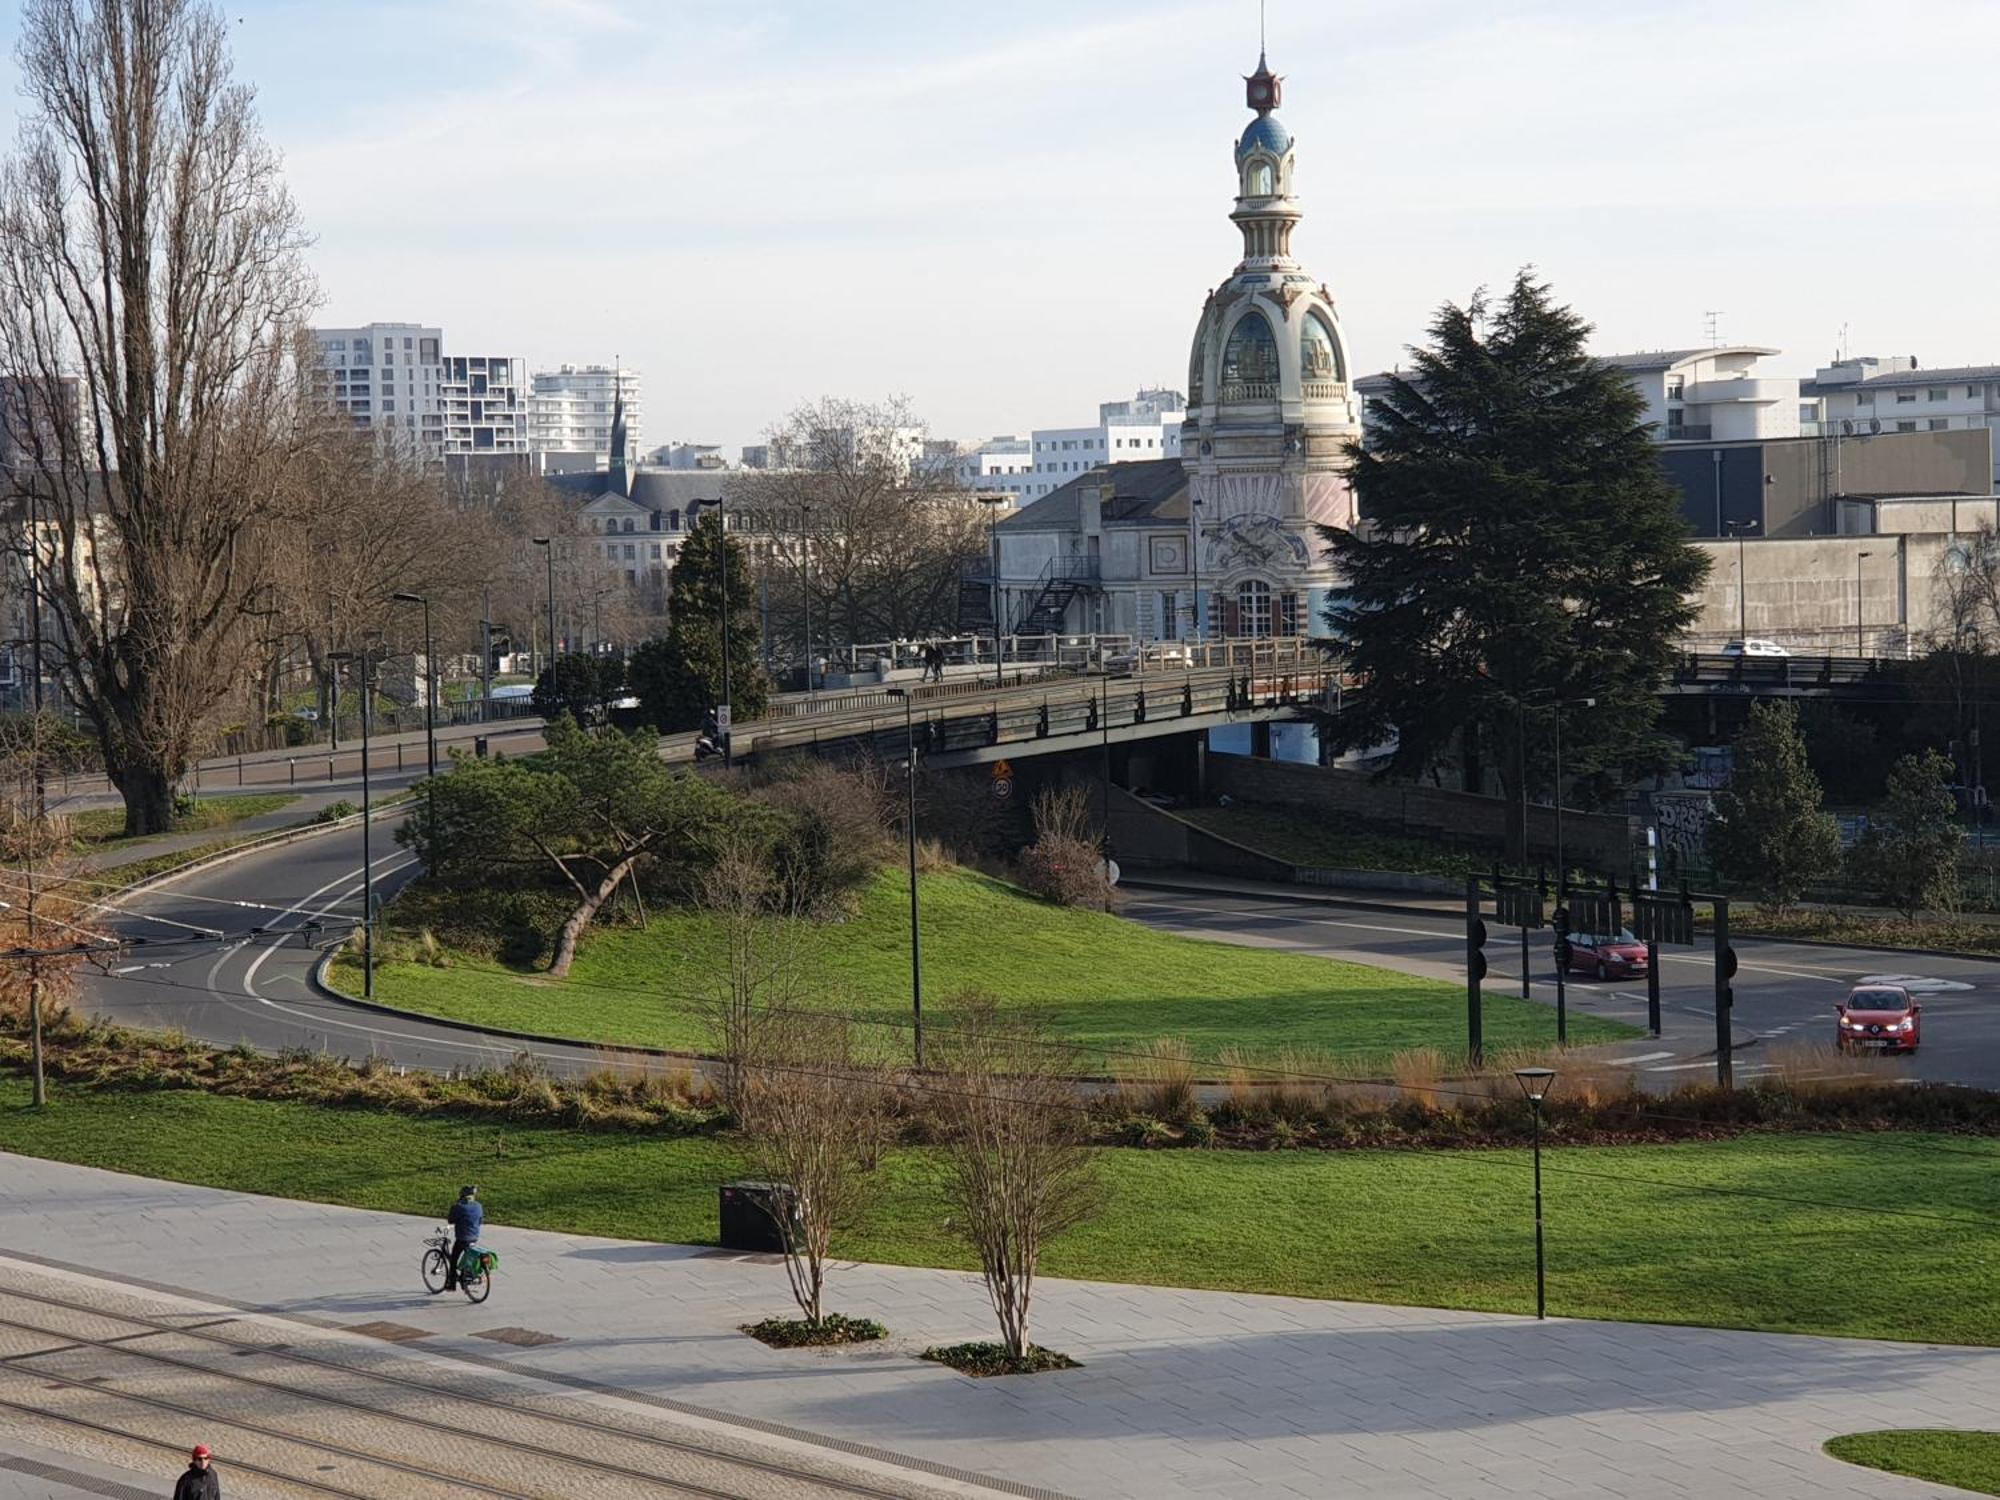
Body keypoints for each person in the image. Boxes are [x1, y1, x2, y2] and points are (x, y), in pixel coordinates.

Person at [441, 1184, 483, 1292]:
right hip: (474, 1237)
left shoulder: (458, 1207)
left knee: (454, 1259)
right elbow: (480, 1221)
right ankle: (467, 1274)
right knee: (468, 1255)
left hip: (462, 1238)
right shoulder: (478, 1206)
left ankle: (451, 1284)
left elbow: (451, 1220)